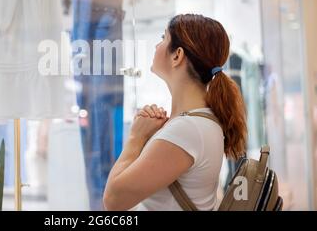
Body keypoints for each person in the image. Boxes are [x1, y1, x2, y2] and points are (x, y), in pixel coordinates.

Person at [103, 14, 248, 211]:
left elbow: (113, 200)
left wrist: (136, 137)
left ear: (177, 55)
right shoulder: (198, 122)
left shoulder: (187, 130)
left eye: (163, 38)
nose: (157, 46)